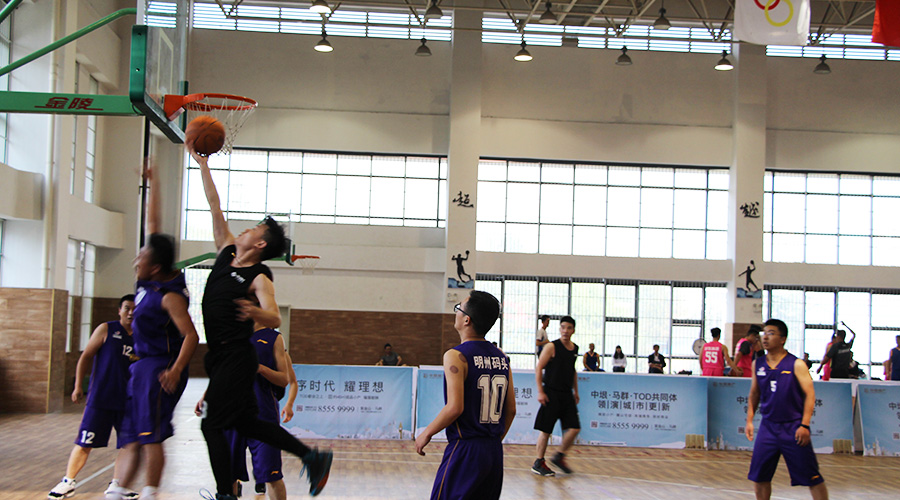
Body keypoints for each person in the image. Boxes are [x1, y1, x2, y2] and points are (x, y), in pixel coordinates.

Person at [189, 147, 332, 499]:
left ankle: (225, 494)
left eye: (254, 228)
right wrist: (203, 165)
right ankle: (312, 457)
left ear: (261, 243)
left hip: (237, 356)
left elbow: (274, 315)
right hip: (219, 357)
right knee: (247, 423)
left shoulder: (259, 275)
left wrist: (255, 313)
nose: (245, 229)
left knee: (211, 426)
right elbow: (215, 206)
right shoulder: (226, 253)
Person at [107, 162, 200, 500]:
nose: (136, 259)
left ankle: (150, 492)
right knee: (132, 436)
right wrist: (153, 181)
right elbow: (153, 226)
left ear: (156, 266)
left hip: (160, 368)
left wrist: (175, 370)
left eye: (141, 257)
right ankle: (118, 489)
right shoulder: (146, 282)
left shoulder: (169, 296)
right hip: (141, 366)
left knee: (150, 436)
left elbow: (192, 336)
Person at [415, 290, 514, 500]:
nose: (456, 313)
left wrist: (426, 433)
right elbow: (511, 410)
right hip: (494, 451)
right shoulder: (502, 357)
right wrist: (491, 440)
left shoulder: (456, 355)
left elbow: (455, 407)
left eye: (458, 308)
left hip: (466, 449)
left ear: (467, 320)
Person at [48, 295, 139, 500]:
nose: (131, 312)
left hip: (128, 400)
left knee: (129, 443)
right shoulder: (106, 329)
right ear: (119, 310)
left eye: (135, 309)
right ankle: (68, 482)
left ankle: (118, 484)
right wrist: (78, 386)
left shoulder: (143, 336)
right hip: (101, 397)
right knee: (85, 441)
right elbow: (86, 356)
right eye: (127, 308)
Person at [745, 319, 828, 500]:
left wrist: (804, 425)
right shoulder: (757, 364)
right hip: (768, 427)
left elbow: (810, 395)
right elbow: (754, 393)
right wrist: (749, 420)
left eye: (771, 333)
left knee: (812, 477)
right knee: (759, 477)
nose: (765, 337)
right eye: (764, 333)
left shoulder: (796, 364)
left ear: (783, 339)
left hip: (793, 427)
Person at [224, 320, 292, 500]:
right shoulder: (231, 335)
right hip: (232, 413)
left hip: (263, 415)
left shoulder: (274, 338)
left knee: (272, 474)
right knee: (228, 473)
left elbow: (285, 379)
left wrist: (261, 369)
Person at [532, 316, 579, 476]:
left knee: (574, 428)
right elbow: (539, 368)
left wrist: (576, 391)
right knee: (546, 430)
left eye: (569, 328)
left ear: (573, 330)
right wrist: (540, 391)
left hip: (567, 395)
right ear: (560, 329)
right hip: (551, 393)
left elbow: (573, 371)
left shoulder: (575, 349)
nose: (565, 331)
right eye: (563, 327)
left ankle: (559, 456)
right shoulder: (551, 346)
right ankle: (538, 462)